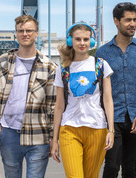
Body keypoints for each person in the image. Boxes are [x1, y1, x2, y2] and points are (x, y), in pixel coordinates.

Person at [0, 15, 57, 178]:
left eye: (29, 30)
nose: (25, 34)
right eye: (21, 31)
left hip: (39, 134)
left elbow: (53, 106)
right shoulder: (2, 62)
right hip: (9, 133)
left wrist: (54, 138)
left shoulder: (49, 66)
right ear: (16, 33)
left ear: (37, 33)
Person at [95, 2, 136, 178]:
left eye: (135, 19)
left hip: (135, 117)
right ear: (116, 21)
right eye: (128, 20)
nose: (133, 24)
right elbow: (98, 88)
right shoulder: (102, 52)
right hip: (111, 118)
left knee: (130, 166)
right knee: (113, 165)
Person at [50, 23, 114, 178]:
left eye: (86, 39)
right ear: (71, 41)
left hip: (97, 128)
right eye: (78, 39)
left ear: (91, 41)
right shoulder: (63, 69)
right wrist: (54, 140)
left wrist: (111, 130)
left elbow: (108, 99)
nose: (82, 43)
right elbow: (59, 106)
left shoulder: (100, 65)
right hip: (69, 128)